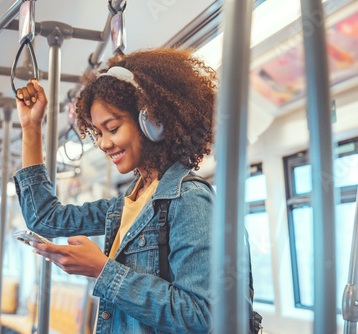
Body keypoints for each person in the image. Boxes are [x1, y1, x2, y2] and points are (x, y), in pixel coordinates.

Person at [13, 48, 216, 333]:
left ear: (153, 122)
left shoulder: (189, 199)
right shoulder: (126, 205)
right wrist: (31, 128)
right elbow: (45, 218)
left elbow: (202, 316)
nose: (103, 144)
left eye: (112, 128)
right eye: (98, 133)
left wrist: (102, 270)